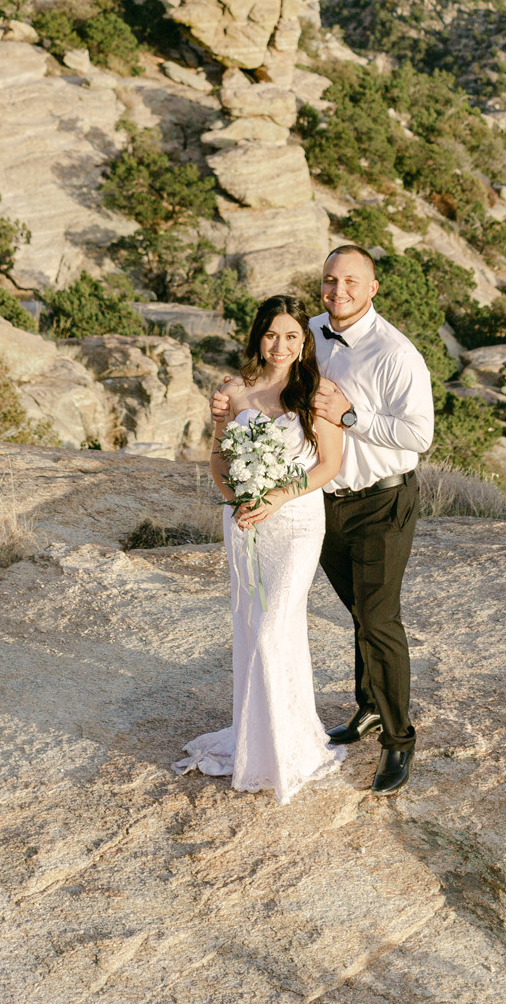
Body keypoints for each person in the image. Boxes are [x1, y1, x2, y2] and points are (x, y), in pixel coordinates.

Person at [175, 296, 352, 804]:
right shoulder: (233, 392)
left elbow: (328, 465)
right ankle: (257, 744)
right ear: (258, 337)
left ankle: (289, 748)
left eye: (292, 336)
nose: (281, 346)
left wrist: (276, 496)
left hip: (295, 522)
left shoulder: (317, 392)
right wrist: (238, 498)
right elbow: (218, 457)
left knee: (276, 628)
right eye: (272, 335)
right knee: (252, 627)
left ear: (304, 341)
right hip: (246, 524)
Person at [310, 244, 435, 795]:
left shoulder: (396, 354)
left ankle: (398, 740)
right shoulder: (310, 334)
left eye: (351, 282)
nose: (338, 291)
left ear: (373, 288)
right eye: (330, 280)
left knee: (380, 621)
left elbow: (419, 435)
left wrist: (351, 416)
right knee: (360, 612)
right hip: (324, 501)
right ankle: (368, 708)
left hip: (382, 503)